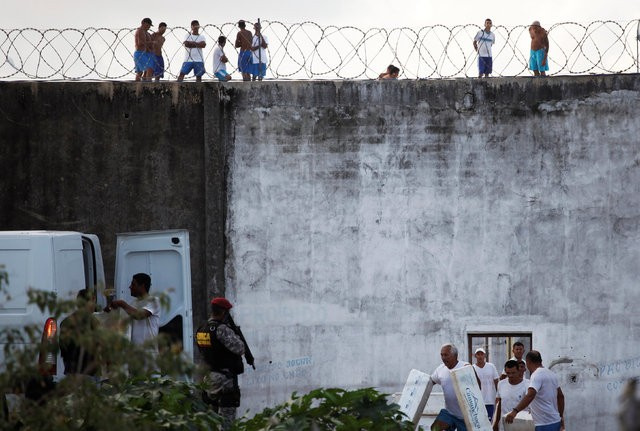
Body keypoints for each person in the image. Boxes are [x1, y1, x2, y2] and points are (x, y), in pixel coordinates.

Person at [196, 297, 246, 431]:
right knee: (226, 422)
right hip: (224, 380)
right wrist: (235, 334)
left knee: (211, 420)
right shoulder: (221, 329)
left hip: (208, 379)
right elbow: (240, 348)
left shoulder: (202, 329)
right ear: (223, 312)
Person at [505, 350, 565, 431]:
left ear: (528, 362)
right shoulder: (551, 374)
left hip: (544, 424)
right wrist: (561, 416)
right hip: (555, 421)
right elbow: (560, 396)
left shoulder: (536, 375)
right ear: (540, 361)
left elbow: (530, 395)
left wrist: (515, 411)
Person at [110, 273, 161, 358]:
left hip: (149, 353)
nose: (130, 287)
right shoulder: (133, 304)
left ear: (142, 286)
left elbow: (139, 315)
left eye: (133, 284)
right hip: (134, 353)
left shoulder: (154, 301)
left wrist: (122, 304)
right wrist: (110, 309)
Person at [430, 343, 471, 431]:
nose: (443, 358)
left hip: (466, 416)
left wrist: (471, 372)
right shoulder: (440, 369)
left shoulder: (465, 367)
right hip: (449, 413)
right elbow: (430, 383)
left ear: (455, 355)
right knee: (435, 429)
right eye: (442, 355)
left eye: (446, 355)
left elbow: (477, 385)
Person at [59, 289, 99, 376]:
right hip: (89, 373)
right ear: (92, 299)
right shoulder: (93, 322)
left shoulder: (65, 322)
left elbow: (63, 348)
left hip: (71, 371)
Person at [493, 360, 530, 431]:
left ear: (518, 371)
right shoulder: (501, 384)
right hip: (504, 425)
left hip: (521, 426)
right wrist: (496, 422)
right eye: (508, 373)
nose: (510, 375)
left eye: (513, 373)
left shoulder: (527, 385)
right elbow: (499, 405)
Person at [473, 347, 499, 421]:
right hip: (477, 402)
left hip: (490, 400)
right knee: (479, 422)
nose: (480, 356)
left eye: (482, 354)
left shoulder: (491, 366)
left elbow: (496, 381)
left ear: (485, 355)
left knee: (489, 421)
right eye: (478, 354)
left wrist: (498, 395)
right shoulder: (472, 368)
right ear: (475, 356)